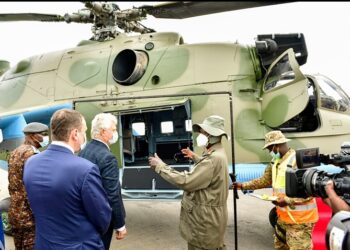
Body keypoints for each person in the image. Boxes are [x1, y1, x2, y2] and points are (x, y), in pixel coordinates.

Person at [23, 109, 112, 249]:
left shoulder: (31, 163)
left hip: (44, 244)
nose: (84, 137)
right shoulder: (85, 169)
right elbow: (102, 218)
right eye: (84, 132)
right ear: (75, 134)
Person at [149, 115, 229, 250]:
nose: (200, 135)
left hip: (204, 222)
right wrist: (196, 158)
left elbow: (186, 181)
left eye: (204, 133)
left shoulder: (212, 159)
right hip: (213, 218)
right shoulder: (218, 153)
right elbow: (210, 171)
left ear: (212, 136)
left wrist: (160, 166)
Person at [233, 130, 319, 250]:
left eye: (269, 148)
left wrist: (287, 200)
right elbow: (264, 180)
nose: (269, 152)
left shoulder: (299, 161)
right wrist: (242, 185)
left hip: (300, 221)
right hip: (283, 218)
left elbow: (312, 191)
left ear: (276, 146)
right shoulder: (275, 161)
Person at [79, 113, 127, 249]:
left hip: (87, 216)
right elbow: (112, 194)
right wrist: (120, 224)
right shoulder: (107, 157)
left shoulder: (84, 151)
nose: (115, 133)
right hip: (101, 219)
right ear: (103, 132)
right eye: (113, 129)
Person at [8, 122, 49, 250]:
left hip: (16, 212)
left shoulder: (16, 152)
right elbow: (36, 189)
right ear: (32, 136)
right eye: (43, 134)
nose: (46, 137)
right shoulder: (32, 155)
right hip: (30, 216)